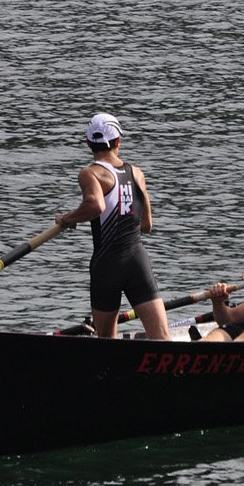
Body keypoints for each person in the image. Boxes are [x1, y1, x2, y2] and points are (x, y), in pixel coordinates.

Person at [55, 112, 170, 341]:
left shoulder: (90, 173)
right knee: (162, 338)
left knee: (107, 342)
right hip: (138, 261)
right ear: (118, 141)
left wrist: (67, 219)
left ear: (89, 144)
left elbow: (95, 205)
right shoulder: (136, 173)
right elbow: (146, 225)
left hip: (106, 265)